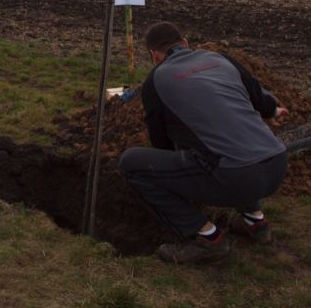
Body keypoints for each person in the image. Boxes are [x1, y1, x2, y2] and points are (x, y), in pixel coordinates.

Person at [119, 21, 289, 264]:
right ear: (185, 43)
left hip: (236, 176)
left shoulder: (155, 81)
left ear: (154, 55)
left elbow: (161, 141)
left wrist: (181, 170)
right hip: (277, 164)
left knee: (131, 164)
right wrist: (272, 110)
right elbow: (258, 95)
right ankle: (255, 223)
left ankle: (208, 239)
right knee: (230, 140)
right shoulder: (219, 59)